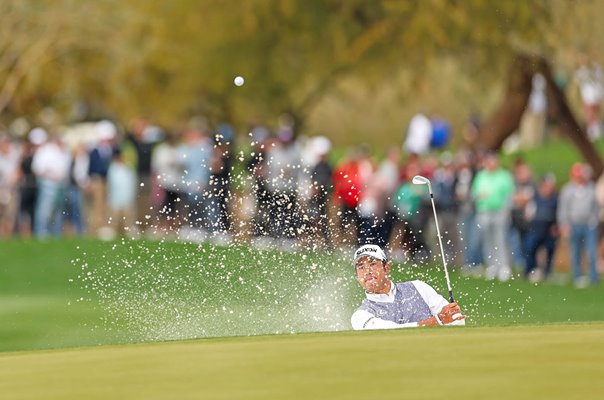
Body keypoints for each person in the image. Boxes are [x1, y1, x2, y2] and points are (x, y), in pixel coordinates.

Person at [351, 244, 465, 330]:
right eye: (361, 267)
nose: (367, 271)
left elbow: (456, 320)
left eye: (372, 264)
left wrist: (450, 316)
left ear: (387, 268)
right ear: (357, 278)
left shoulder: (419, 287)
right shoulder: (360, 316)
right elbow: (389, 330)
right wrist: (436, 321)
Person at [557, 163, 600, 288]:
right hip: (573, 224)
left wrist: (594, 221)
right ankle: (577, 276)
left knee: (591, 251)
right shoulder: (568, 190)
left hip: (588, 225)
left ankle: (593, 277)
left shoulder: (591, 189)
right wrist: (564, 225)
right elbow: (563, 209)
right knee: (575, 251)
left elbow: (595, 208)